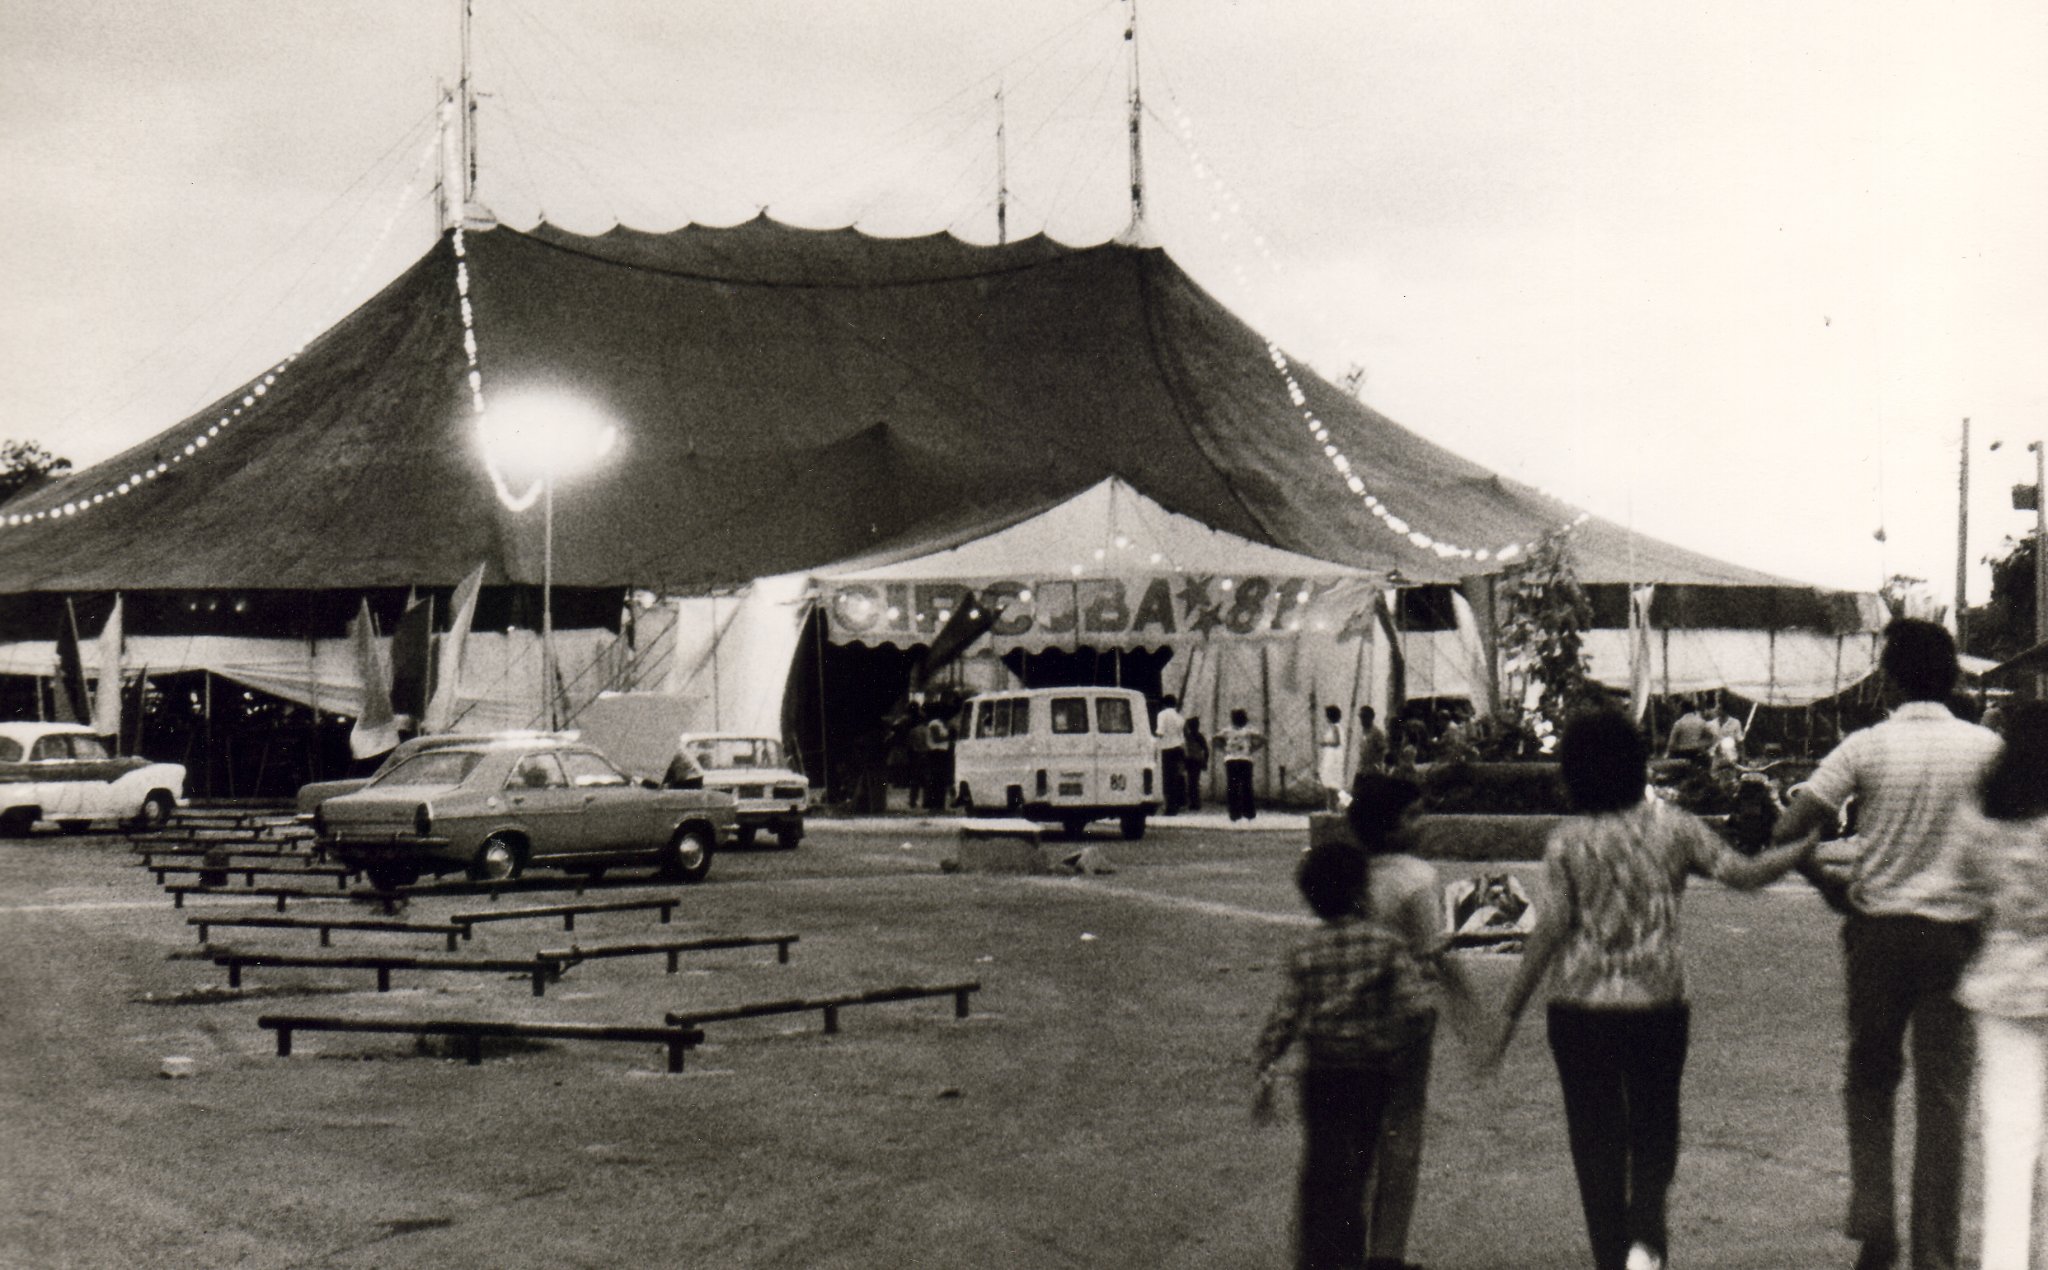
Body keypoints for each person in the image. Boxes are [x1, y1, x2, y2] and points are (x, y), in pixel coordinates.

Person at [1491, 709, 1816, 1270]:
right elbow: (1744, 874)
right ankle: (1646, 1236)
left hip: (1579, 1008)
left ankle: (1612, 1260)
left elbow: (1549, 932)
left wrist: (1509, 1013)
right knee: (1654, 1131)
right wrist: (1803, 848)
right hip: (1658, 1005)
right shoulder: (1674, 825)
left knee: (1594, 1143)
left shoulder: (1566, 842)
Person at [1768, 618, 2002, 1270]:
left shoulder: (1865, 747)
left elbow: (1790, 829)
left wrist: (1827, 886)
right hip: (1956, 939)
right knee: (1944, 1098)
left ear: (1890, 678)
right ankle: (1934, 1255)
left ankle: (1877, 1224)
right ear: (1953, 676)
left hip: (1877, 936)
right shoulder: (1986, 750)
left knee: (1870, 1080)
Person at [1252, 840, 1435, 1270]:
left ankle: (1315, 1254)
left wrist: (1266, 1065)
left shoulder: (1306, 951)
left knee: (1321, 1164)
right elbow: (1417, 1007)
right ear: (1362, 891)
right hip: (1370, 1075)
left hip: (1321, 1076)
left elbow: (1285, 1016)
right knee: (1359, 1165)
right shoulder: (1386, 945)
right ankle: (1349, 1255)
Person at [1348, 773, 1480, 1270]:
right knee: (1401, 1136)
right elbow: (1432, 954)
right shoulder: (1418, 877)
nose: (1421, 823)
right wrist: (1471, 1009)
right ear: (1390, 825)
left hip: (1352, 1021)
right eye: (1412, 815)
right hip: (1406, 1023)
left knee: (1356, 1139)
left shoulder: (1352, 874)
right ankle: (1387, 1254)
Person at [1955, 700, 2048, 1270]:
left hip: (2003, 986)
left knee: (2008, 1139)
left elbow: (1969, 879)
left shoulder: (1987, 815)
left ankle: (2004, 1260)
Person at [1217, 708, 1266, 822]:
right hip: (1245, 759)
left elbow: (1215, 739)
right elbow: (1263, 739)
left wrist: (1224, 749)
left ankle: (1234, 813)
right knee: (1246, 786)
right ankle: (1248, 813)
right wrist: (1253, 748)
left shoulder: (1227, 731)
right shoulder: (1248, 730)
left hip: (1231, 759)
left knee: (1232, 786)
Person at [1155, 694, 1188, 815]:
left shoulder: (1162, 715)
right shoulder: (1180, 718)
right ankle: (1176, 805)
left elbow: (1160, 732)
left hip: (1166, 749)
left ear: (1164, 704)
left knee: (1166, 779)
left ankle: (1169, 807)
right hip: (1178, 748)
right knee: (1176, 778)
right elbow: (1182, 737)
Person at [922, 705, 954, 812]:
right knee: (936, 780)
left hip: (942, 753)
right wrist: (950, 736)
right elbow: (936, 738)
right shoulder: (934, 723)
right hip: (936, 753)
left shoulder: (941, 724)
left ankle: (940, 805)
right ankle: (934, 805)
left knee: (941, 780)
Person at [1317, 704, 1347, 813]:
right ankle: (1334, 807)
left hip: (1333, 759)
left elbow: (1336, 742)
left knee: (1333, 784)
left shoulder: (1335, 727)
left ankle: (1345, 804)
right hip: (1333, 757)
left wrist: (1325, 743)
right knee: (1333, 784)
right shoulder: (1336, 727)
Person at [1182, 716, 1210, 812]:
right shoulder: (1197, 736)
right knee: (1193, 782)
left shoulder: (1190, 736)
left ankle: (1194, 803)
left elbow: (1205, 750)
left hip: (1192, 761)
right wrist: (1205, 761)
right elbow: (1206, 750)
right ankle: (1194, 802)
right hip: (1195, 761)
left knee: (1192, 782)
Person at [1355, 706, 1389, 781]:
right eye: (1361, 717)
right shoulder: (1361, 732)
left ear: (1371, 717)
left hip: (1372, 772)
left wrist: (1376, 765)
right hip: (1361, 769)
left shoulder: (1377, 733)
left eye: (1364, 717)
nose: (1362, 720)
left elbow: (1382, 751)